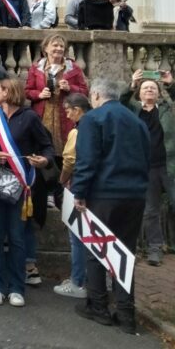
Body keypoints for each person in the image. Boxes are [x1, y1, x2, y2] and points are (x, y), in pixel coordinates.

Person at [71, 78, 151, 335]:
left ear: (95, 95)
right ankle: (126, 314)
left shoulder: (93, 120)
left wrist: (79, 191)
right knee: (124, 253)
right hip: (135, 194)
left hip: (104, 193)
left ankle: (98, 307)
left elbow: (87, 160)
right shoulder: (137, 121)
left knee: (97, 251)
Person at [0, 77, 53, 308]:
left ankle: (17, 287)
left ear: (8, 92)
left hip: (22, 185)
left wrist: (45, 160)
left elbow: (47, 145)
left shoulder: (29, 117)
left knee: (17, 237)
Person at [121, 70, 175, 267]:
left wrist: (171, 83)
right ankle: (154, 249)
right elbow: (120, 101)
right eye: (146, 88)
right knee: (151, 210)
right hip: (148, 168)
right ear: (140, 93)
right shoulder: (133, 110)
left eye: (153, 87)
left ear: (159, 93)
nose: (150, 90)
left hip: (170, 167)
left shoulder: (167, 108)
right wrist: (132, 83)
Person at [53, 93, 91, 299]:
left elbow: (69, 160)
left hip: (78, 184)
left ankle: (77, 281)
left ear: (77, 109)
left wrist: (61, 180)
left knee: (77, 236)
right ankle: (94, 280)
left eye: (68, 111)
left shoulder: (77, 131)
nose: (67, 115)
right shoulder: (98, 125)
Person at [24, 33, 89, 154]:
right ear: (46, 48)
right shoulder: (35, 68)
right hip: (42, 114)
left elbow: (84, 91)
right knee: (42, 147)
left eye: (61, 46)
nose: (59, 48)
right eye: (55, 45)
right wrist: (39, 94)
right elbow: (27, 91)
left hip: (66, 115)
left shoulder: (74, 68)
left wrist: (70, 88)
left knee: (66, 149)